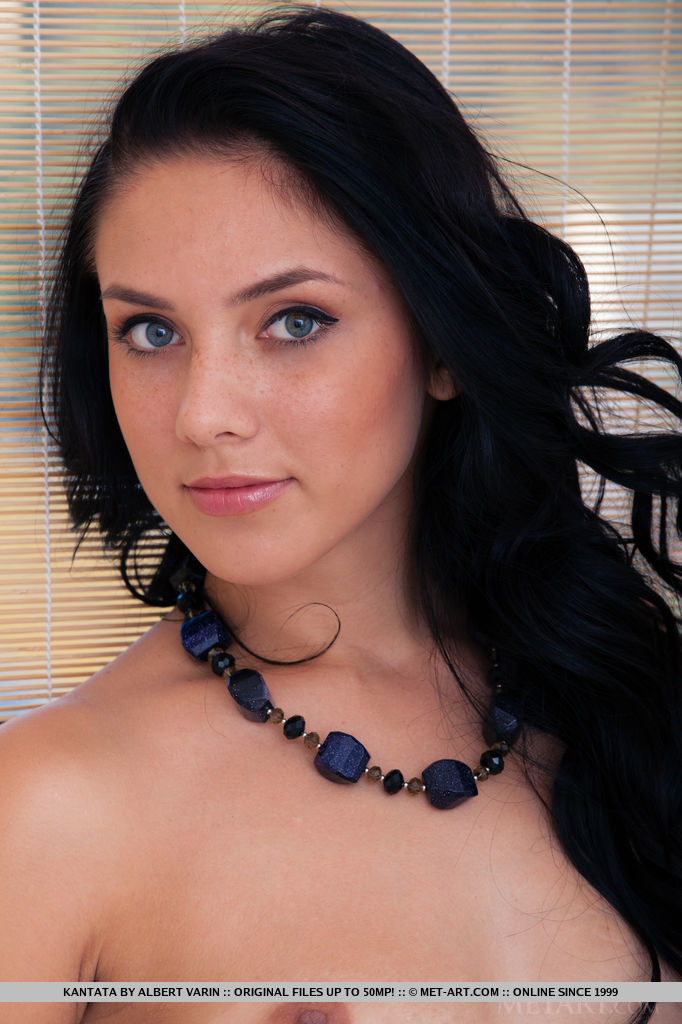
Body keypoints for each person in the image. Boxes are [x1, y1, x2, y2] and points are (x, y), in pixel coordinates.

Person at [1, 5, 680, 1023]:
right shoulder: (52, 806)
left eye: (295, 320)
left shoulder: (619, 701)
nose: (203, 414)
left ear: (441, 345)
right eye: (150, 331)